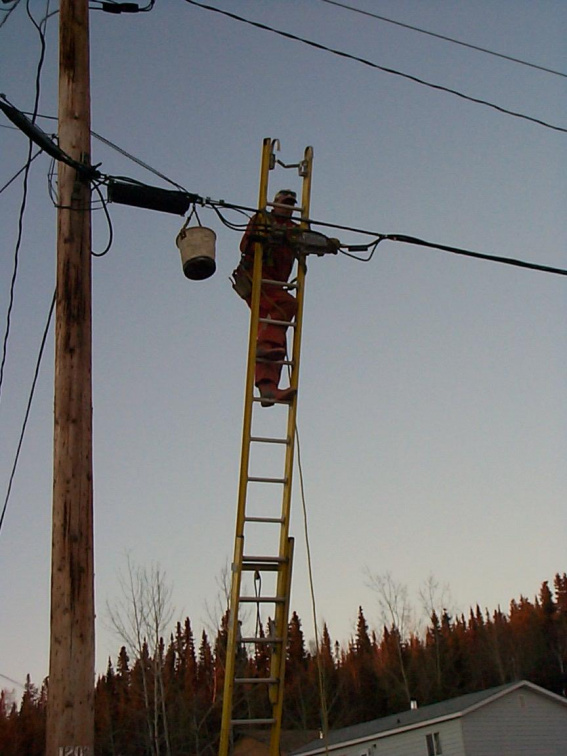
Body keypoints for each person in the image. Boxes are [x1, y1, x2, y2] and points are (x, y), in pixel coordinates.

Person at [236, 189, 299, 407]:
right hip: (256, 277)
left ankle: (268, 389)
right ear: (275, 203)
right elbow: (245, 245)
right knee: (286, 305)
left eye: (292, 203)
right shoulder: (263, 218)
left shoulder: (295, 229)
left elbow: (310, 243)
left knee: (274, 331)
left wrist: (328, 244)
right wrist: (267, 235)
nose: (289, 206)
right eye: (285, 202)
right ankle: (264, 347)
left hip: (273, 283)